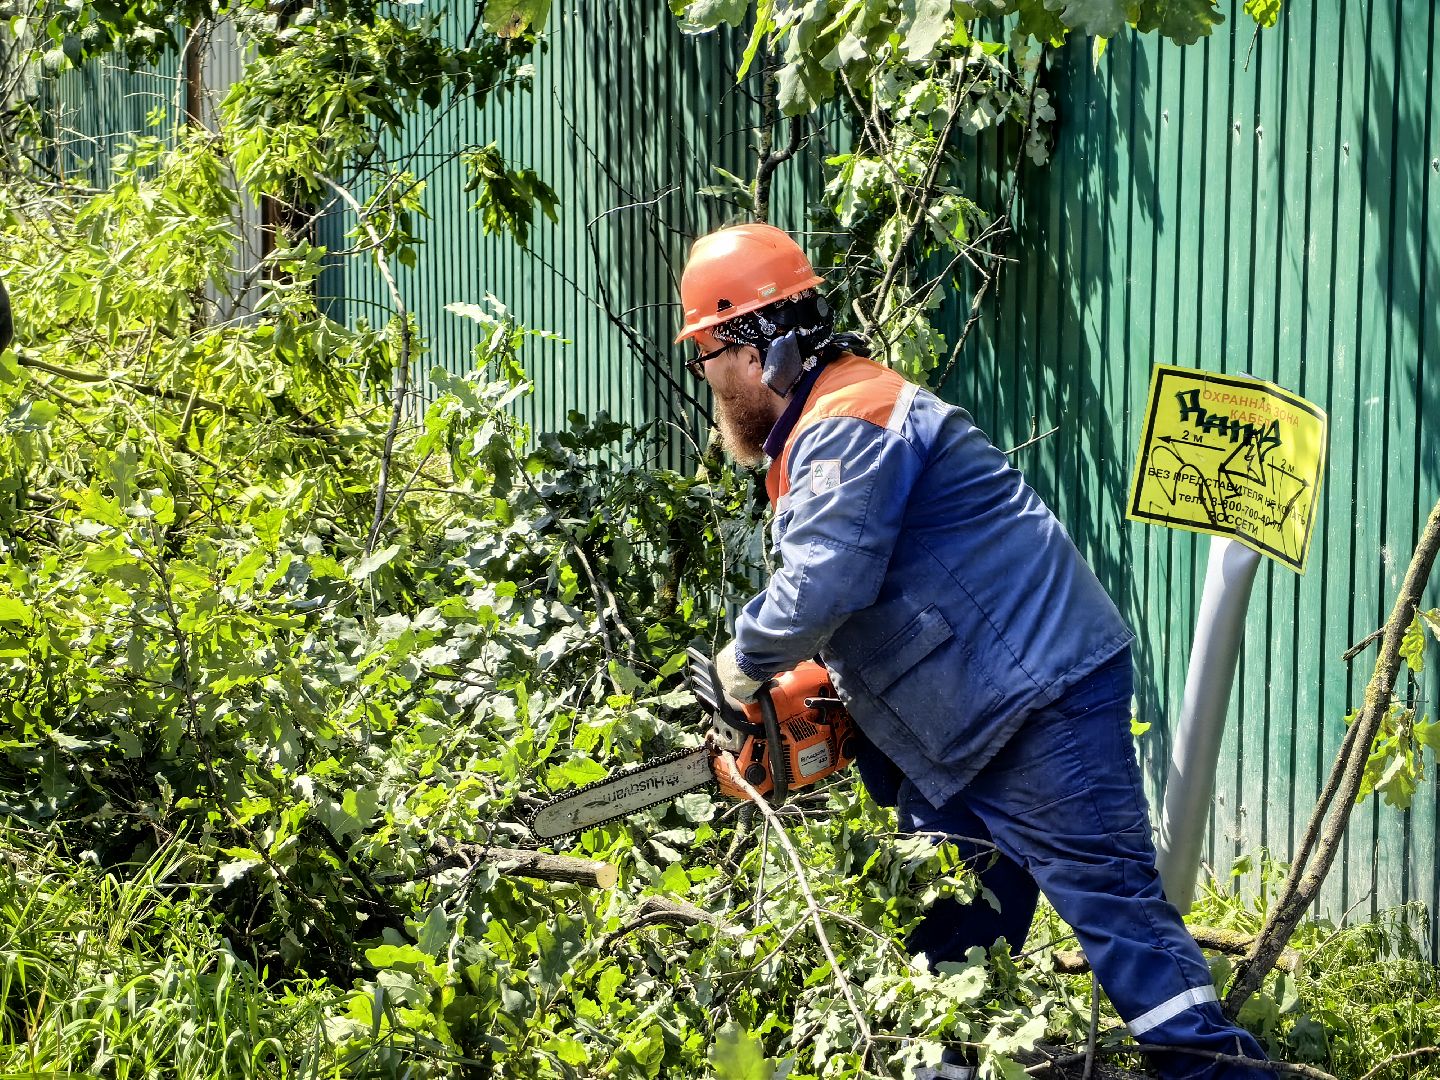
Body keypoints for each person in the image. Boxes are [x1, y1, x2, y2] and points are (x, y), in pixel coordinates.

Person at [675, 223, 1270, 1080]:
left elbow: (825, 582)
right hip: (978, 714)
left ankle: (1214, 1068)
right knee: (957, 923)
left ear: (749, 346)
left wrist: (745, 662)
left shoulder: (848, 420)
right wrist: (831, 692)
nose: (708, 380)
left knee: (1119, 918)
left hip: (1039, 702)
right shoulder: (832, 420)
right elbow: (880, 589)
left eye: (706, 357)